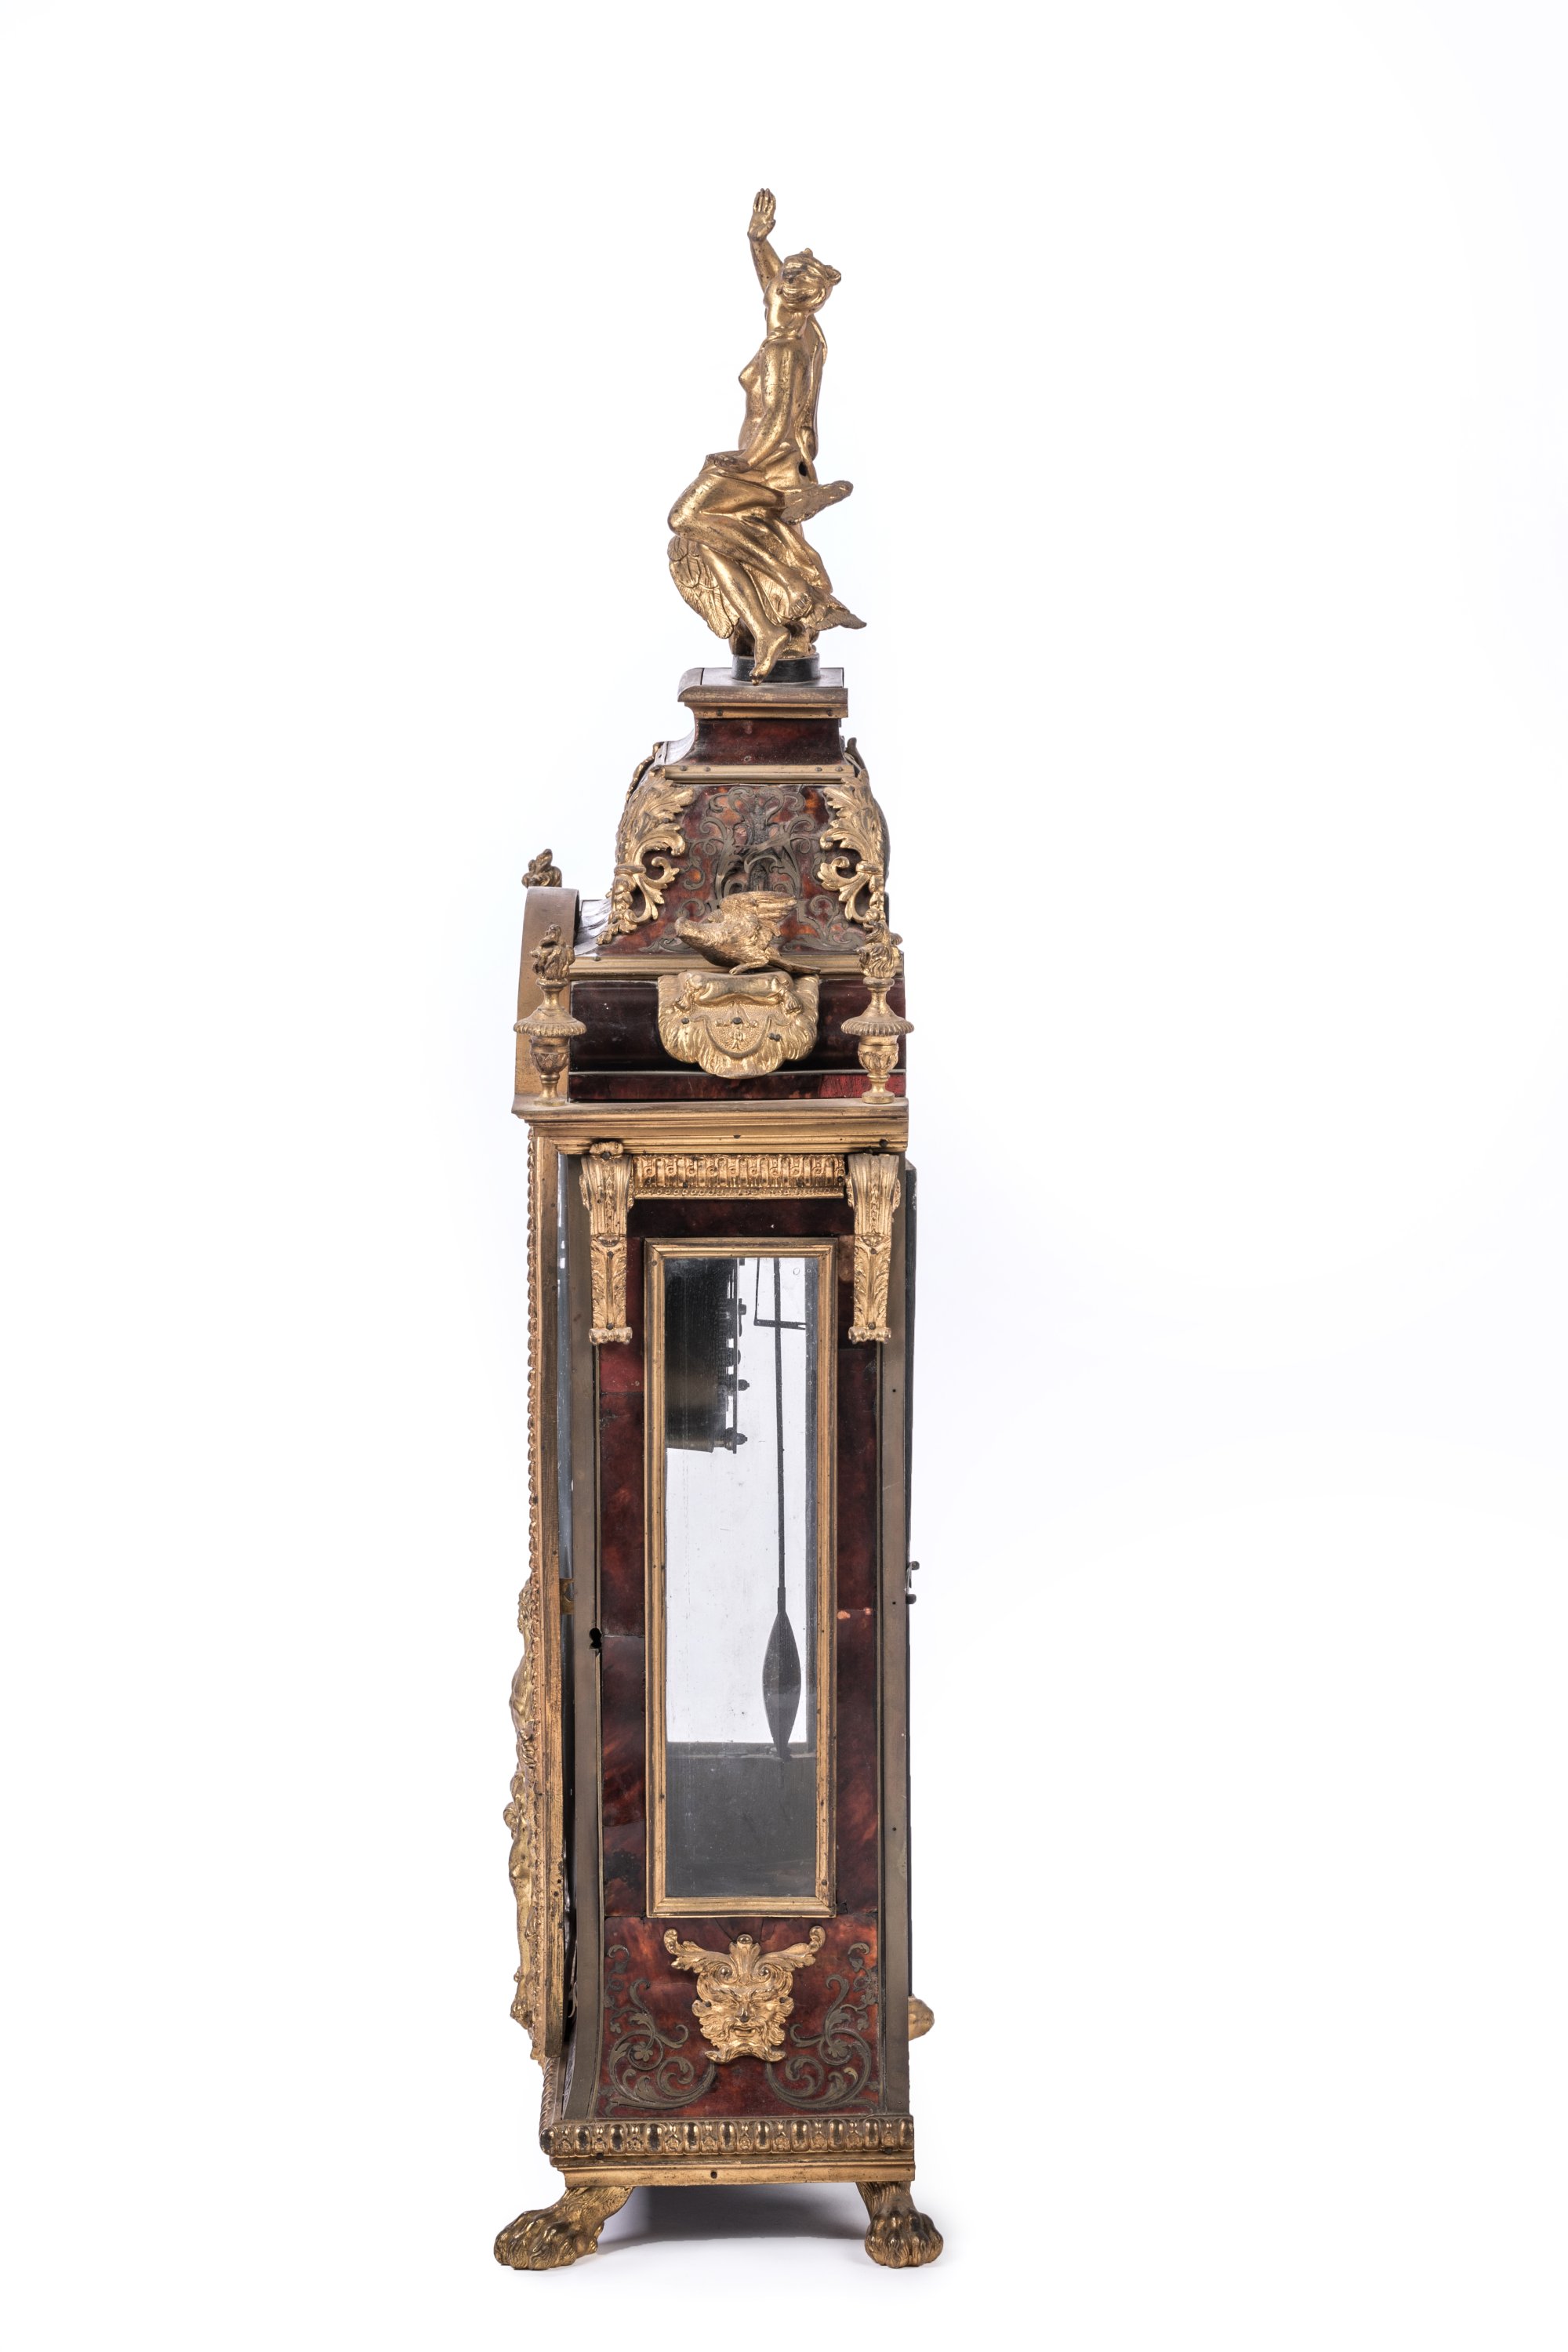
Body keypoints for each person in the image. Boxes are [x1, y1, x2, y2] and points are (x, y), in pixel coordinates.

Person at [668, 191, 864, 680]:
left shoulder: (784, 350)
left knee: (685, 517)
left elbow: (777, 422)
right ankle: (766, 629)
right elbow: (772, 282)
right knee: (710, 542)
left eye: (795, 276)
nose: (781, 280)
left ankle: (790, 583)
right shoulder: (800, 330)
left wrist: (741, 461)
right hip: (772, 464)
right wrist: (759, 241)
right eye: (785, 273)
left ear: (810, 295)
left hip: (764, 467)